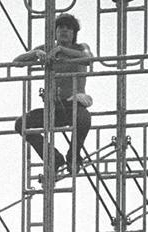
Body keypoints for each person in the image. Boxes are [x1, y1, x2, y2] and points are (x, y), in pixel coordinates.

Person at [12, 14, 93, 177]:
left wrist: (62, 50)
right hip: (53, 106)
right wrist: (36, 53)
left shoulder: (80, 48)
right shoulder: (48, 48)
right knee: (22, 124)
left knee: (84, 118)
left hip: (73, 105)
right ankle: (53, 158)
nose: (64, 31)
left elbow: (88, 59)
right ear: (55, 31)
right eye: (60, 27)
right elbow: (16, 62)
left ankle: (74, 156)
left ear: (74, 33)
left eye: (68, 28)